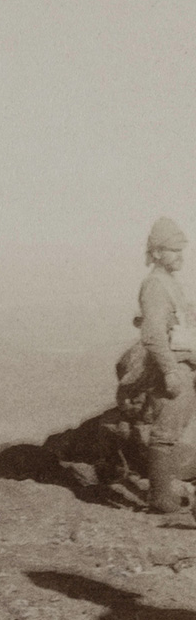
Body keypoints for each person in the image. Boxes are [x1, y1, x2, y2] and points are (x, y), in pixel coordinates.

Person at [137, 217, 196, 512]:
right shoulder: (156, 285)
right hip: (173, 366)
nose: (179, 256)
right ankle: (160, 499)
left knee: (174, 430)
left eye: (180, 250)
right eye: (172, 250)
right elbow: (152, 334)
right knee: (165, 432)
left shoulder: (170, 284)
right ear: (157, 253)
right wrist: (170, 370)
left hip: (185, 363)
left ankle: (164, 495)